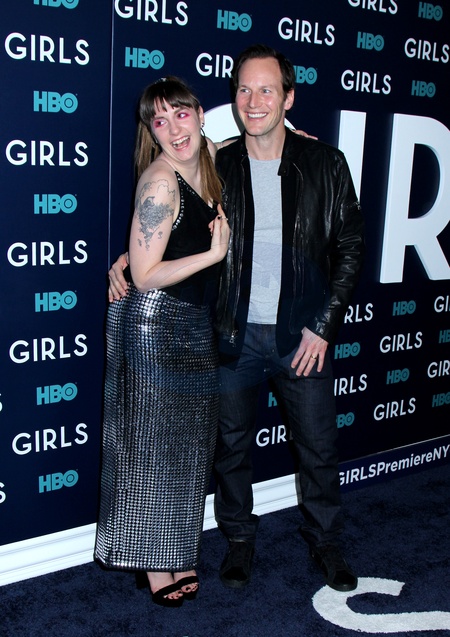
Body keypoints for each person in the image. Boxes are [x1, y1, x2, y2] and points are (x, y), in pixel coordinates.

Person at [109, 44, 365, 594]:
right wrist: (128, 259)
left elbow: (350, 248)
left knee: (318, 447)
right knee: (231, 447)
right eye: (244, 90)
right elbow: (176, 216)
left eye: (266, 89)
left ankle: (326, 542)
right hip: (231, 332)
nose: (253, 101)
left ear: (288, 98)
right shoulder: (217, 161)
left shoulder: (325, 163)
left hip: (302, 334)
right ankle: (239, 541)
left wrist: (324, 325)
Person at [94, 76, 230, 607]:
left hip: (194, 322)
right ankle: (153, 562)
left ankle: (175, 548)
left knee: (187, 448)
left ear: (199, 114)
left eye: (181, 113)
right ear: (150, 132)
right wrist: (211, 256)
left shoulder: (209, 158)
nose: (174, 128)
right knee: (150, 448)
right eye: (160, 120)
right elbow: (146, 275)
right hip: (154, 325)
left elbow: (252, 139)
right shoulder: (159, 182)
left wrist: (295, 135)